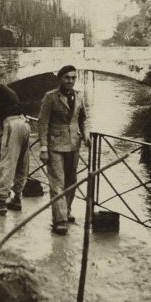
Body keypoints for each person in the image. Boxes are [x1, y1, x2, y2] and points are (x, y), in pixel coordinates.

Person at [38, 65, 90, 235]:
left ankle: (66, 211)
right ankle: (59, 220)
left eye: (73, 77)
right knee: (57, 182)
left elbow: (83, 119)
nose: (70, 81)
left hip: (74, 144)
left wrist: (86, 134)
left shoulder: (79, 96)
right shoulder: (50, 97)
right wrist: (43, 147)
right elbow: (42, 123)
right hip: (55, 145)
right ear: (60, 78)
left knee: (71, 181)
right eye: (67, 77)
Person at [0, 71, 30, 216]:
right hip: (25, 124)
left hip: (12, 125)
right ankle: (17, 199)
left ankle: (1, 203)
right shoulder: (9, 91)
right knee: (22, 163)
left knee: (7, 163)